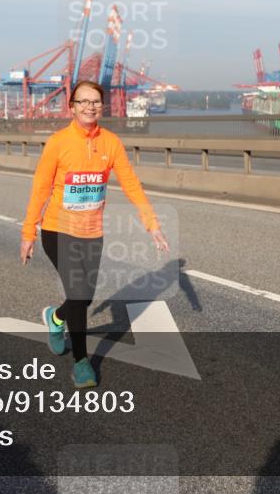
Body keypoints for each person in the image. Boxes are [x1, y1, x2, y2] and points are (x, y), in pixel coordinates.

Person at [21, 80, 169, 388]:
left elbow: (131, 183)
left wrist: (151, 223)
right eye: (83, 101)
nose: (89, 106)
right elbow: (40, 189)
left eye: (95, 102)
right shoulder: (58, 143)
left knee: (83, 299)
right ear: (71, 107)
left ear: (102, 107)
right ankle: (81, 362)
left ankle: (56, 317)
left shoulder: (111, 142)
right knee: (79, 294)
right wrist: (29, 232)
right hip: (58, 230)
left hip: (92, 232)